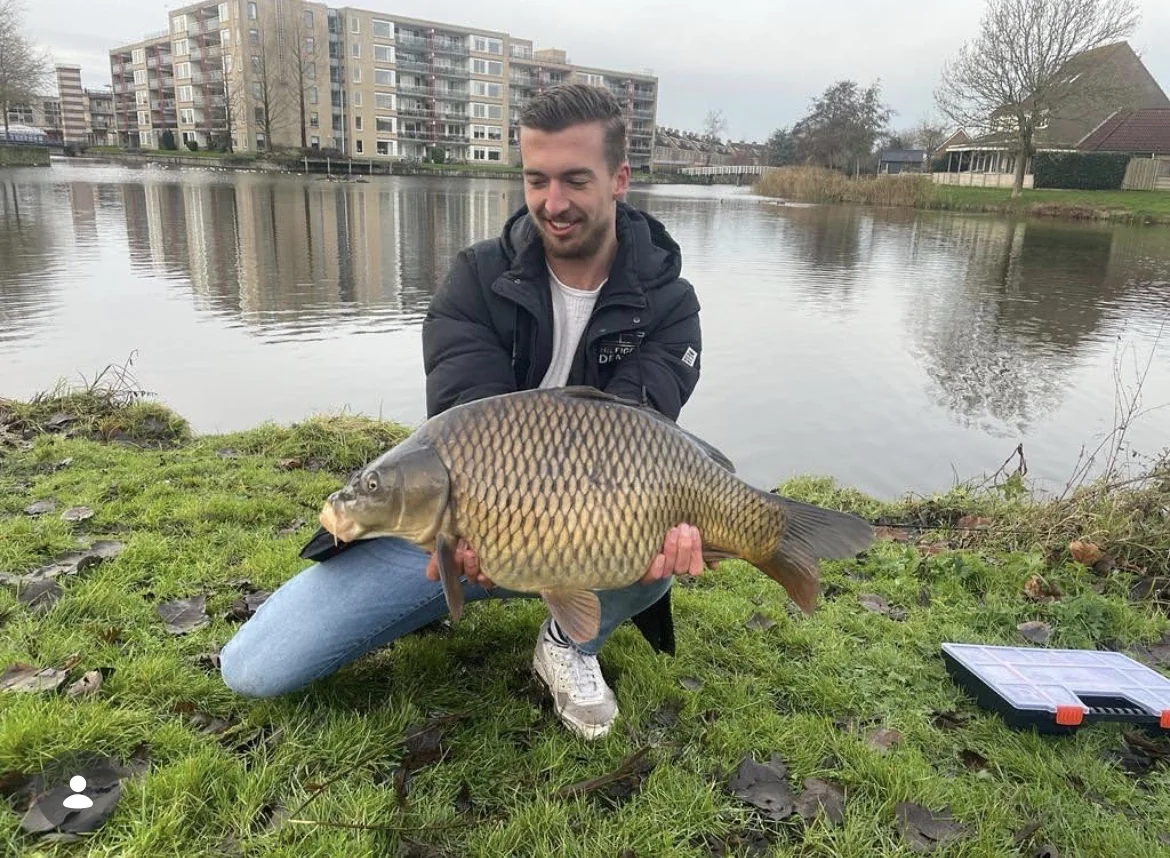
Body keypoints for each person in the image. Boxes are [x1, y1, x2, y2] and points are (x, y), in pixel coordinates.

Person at [219, 83, 705, 741]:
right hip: (459, 531)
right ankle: (418, 603)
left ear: (619, 179)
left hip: (592, 530)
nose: (552, 203)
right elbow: (462, 421)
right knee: (254, 668)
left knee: (662, 538)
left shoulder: (670, 303)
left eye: (574, 181)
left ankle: (568, 642)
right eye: (536, 180)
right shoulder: (475, 279)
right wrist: (472, 529)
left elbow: (638, 434)